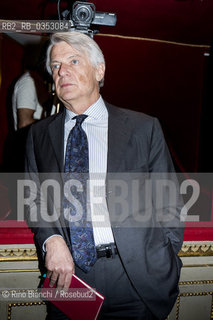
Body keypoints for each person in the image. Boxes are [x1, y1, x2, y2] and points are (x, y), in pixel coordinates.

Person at [25, 31, 184, 320]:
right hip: (70, 279)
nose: (62, 71)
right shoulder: (39, 135)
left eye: (73, 60)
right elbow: (33, 197)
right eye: (56, 65)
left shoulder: (142, 128)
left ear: (100, 70)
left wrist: (165, 256)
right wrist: (51, 240)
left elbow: (169, 202)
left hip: (136, 279)